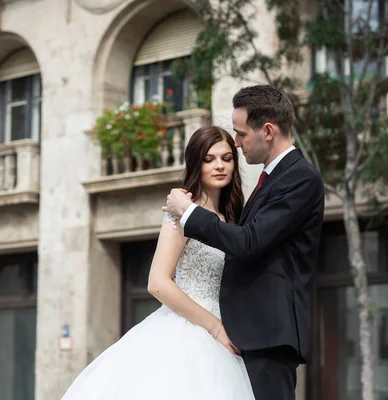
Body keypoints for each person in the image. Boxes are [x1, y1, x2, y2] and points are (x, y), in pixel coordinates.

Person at [60, 125, 255, 400]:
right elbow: (158, 283)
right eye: (209, 159)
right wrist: (215, 328)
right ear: (195, 163)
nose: (219, 166)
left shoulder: (233, 218)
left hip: (229, 332)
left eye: (226, 158)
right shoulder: (180, 212)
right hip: (190, 332)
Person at [163, 85, 325, 400]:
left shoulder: (300, 178)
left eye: (241, 135)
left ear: (267, 131)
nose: (236, 144)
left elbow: (249, 242)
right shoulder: (272, 179)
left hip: (267, 334)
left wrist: (189, 214)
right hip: (247, 335)